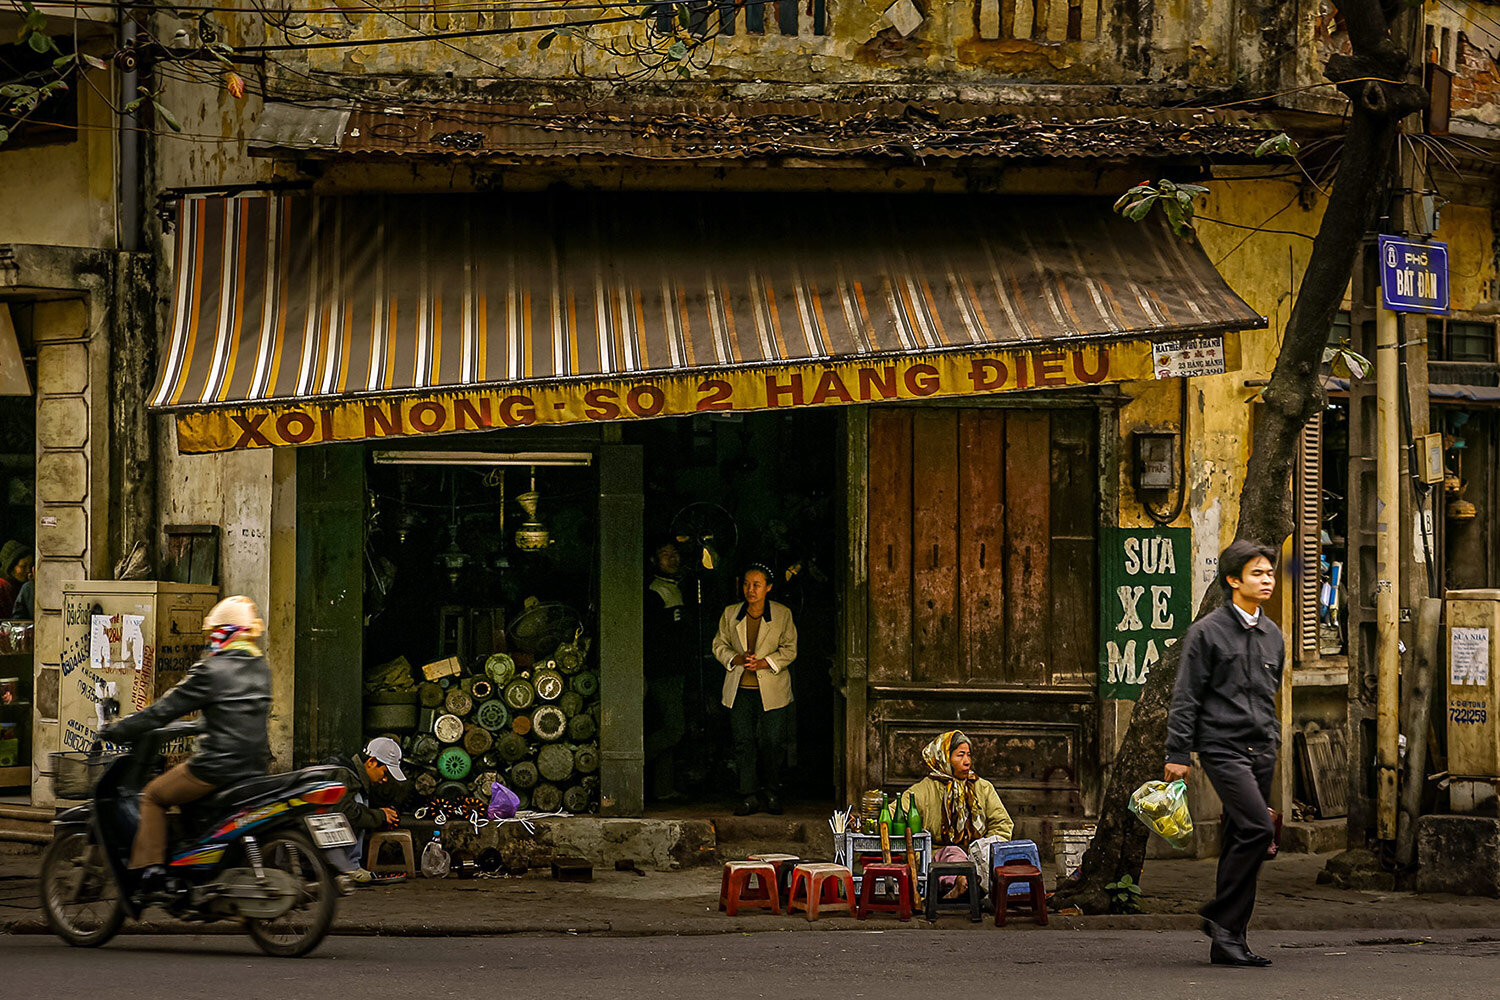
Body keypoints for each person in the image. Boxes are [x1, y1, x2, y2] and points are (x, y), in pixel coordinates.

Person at [100, 595, 272, 897]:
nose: (210, 641)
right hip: (254, 766)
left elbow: (163, 710)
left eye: (213, 634)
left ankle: (152, 871)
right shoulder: (260, 669)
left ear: (225, 632)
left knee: (153, 795)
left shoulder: (211, 670)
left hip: (215, 767)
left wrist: (119, 729)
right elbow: (234, 714)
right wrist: (198, 726)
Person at [1165, 539, 1283, 968]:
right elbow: (1186, 696)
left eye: (1269, 573)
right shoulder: (1207, 632)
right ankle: (1218, 917)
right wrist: (1177, 751)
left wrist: (1274, 740)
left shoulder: (1274, 635)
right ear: (1234, 580)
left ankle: (1230, 939)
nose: (1267, 579)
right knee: (1258, 830)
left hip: (1261, 748)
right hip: (1221, 747)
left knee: (1241, 838)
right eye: (1257, 573)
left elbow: (1271, 695)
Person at [712, 563, 796, 816]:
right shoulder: (731, 613)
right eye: (747, 584)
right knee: (743, 741)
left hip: (772, 688)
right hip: (740, 689)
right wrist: (735, 659)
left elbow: (790, 650)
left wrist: (765, 663)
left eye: (756, 585)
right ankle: (748, 794)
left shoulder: (782, 614)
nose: (750, 590)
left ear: (768, 588)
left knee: (771, 741)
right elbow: (719, 644)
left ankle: (771, 790)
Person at [899, 730, 1013, 898]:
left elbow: (1002, 824)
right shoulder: (923, 791)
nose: (967, 762)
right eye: (960, 755)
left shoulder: (982, 787)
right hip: (941, 853)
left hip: (978, 852)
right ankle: (963, 884)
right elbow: (897, 815)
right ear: (944, 758)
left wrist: (987, 847)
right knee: (953, 853)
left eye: (968, 755)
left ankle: (982, 886)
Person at [644, 539, 692, 802]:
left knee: (668, 726)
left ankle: (663, 788)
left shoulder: (676, 588)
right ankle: (631, 763)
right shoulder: (655, 592)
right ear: (654, 560)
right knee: (674, 729)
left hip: (676, 670)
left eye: (675, 554)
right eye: (665, 554)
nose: (673, 558)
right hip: (663, 672)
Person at [327, 736, 405, 885]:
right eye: (385, 773)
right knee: (358, 801)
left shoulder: (355, 776)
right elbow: (347, 813)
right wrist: (380, 816)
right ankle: (349, 867)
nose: (385, 780)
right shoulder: (343, 774)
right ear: (371, 762)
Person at [0, 541, 31, 619]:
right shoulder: (2, 586)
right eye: (23, 566)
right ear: (11, 567)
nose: (28, 570)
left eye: (30, 566)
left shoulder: (21, 586)